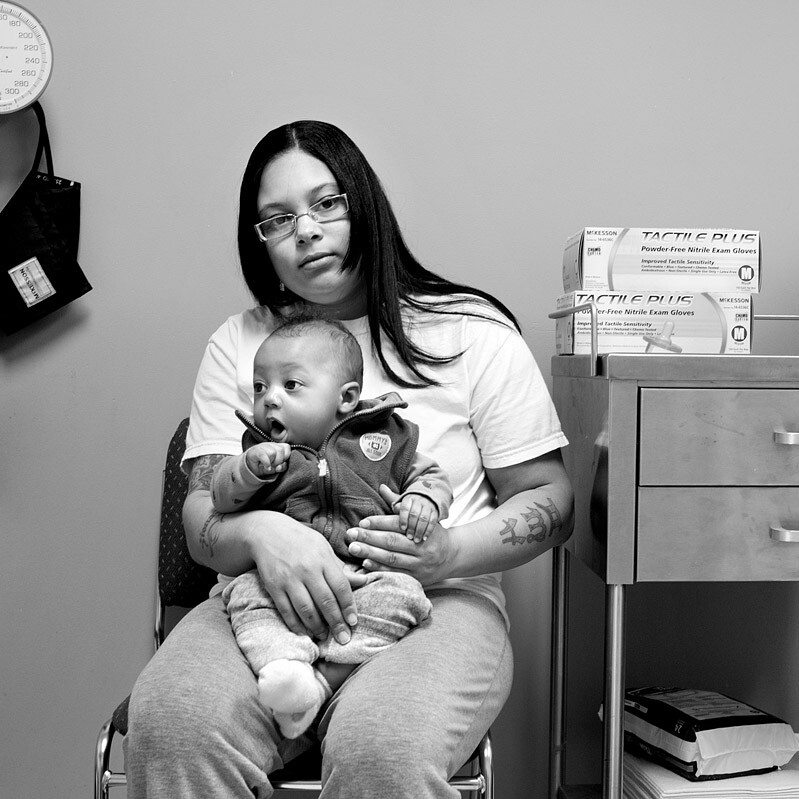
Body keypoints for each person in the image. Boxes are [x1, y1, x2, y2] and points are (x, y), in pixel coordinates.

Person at [124, 120, 573, 799]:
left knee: (381, 746)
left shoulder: (470, 330)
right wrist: (263, 535)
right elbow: (201, 519)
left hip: (432, 602)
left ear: (363, 203)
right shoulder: (238, 344)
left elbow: (551, 498)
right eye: (277, 219)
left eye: (326, 203)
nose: (305, 231)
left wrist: (446, 552)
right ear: (259, 240)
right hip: (263, 600)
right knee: (172, 722)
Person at [211, 315, 452, 739]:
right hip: (279, 585)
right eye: (260, 387)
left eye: (291, 385)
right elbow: (220, 498)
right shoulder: (260, 452)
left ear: (347, 398)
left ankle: (322, 681)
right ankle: (283, 667)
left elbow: (429, 475)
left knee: (407, 596)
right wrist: (246, 471)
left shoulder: (385, 438)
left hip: (365, 577)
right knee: (244, 595)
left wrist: (423, 500)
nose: (269, 399)